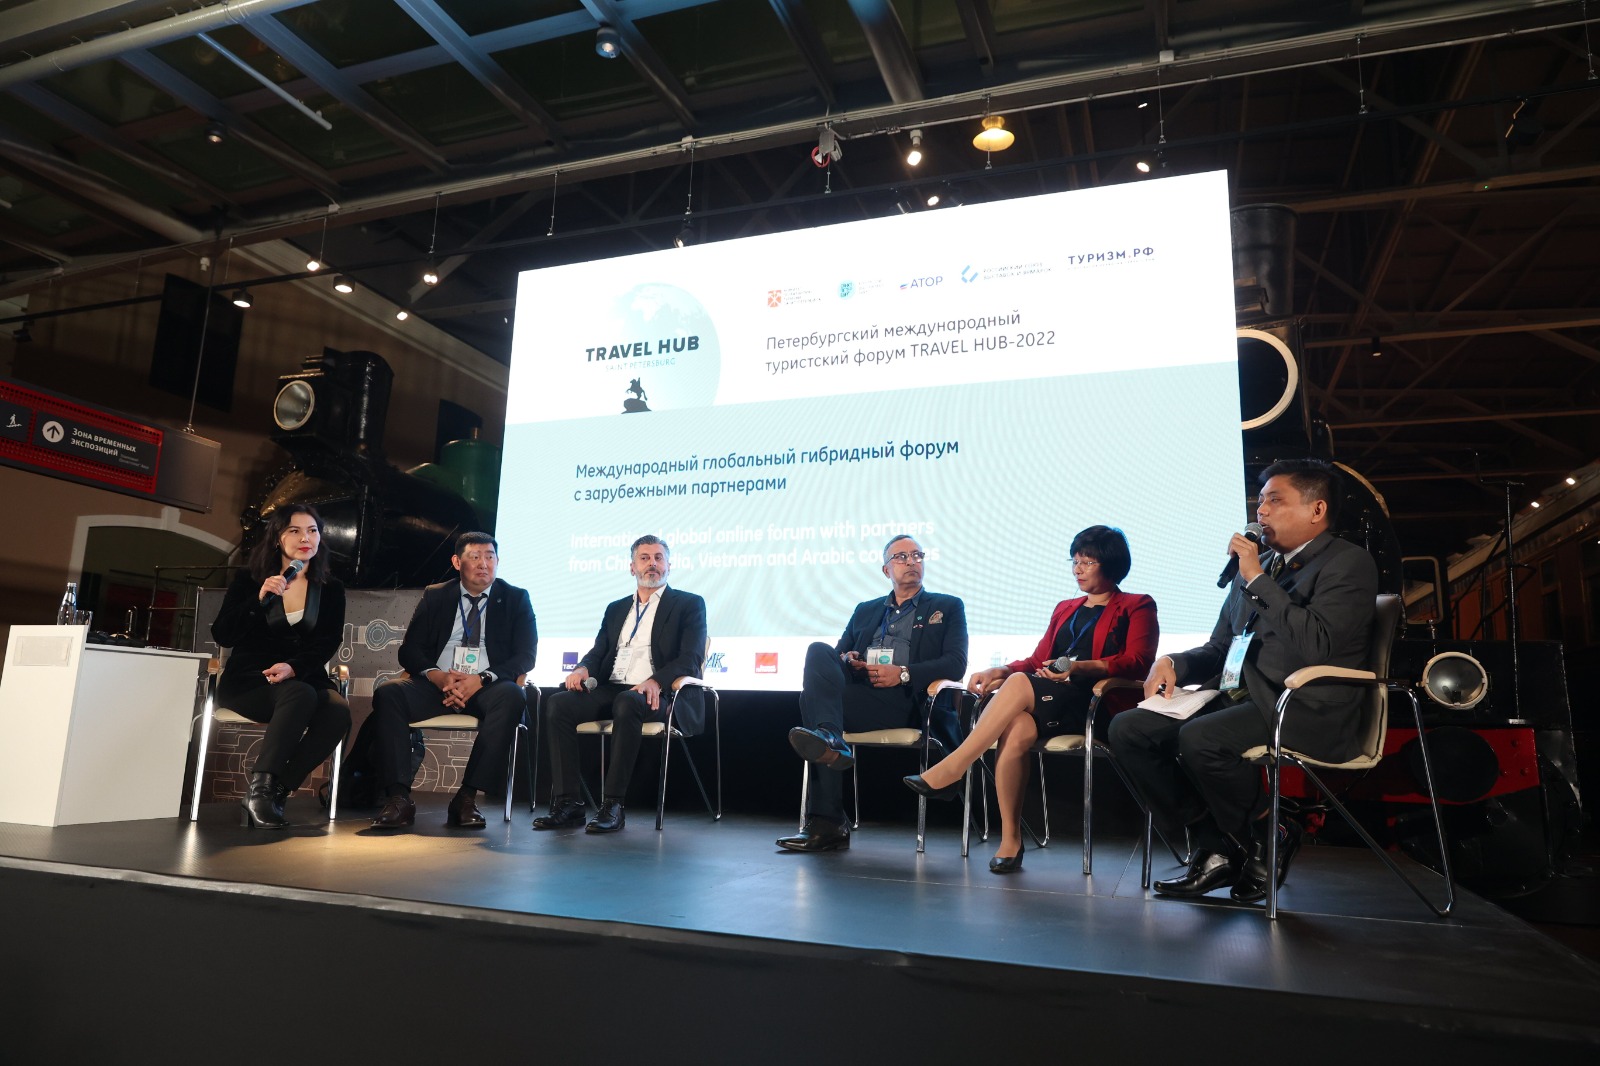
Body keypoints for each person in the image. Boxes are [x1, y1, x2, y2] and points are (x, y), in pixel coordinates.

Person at [1108, 459, 1379, 903]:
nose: (1262, 511)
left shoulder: (1347, 563)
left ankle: (1270, 831)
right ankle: (1217, 845)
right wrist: (1172, 662)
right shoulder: (1259, 566)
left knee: (1201, 738)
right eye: (1260, 502)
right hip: (1241, 695)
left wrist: (1255, 577)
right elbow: (1221, 647)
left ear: (1317, 510)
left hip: (1304, 705)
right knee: (1130, 729)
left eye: (1275, 501)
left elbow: (1318, 645)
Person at [904, 526, 1157, 873]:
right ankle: (1011, 840)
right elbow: (1038, 660)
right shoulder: (1066, 608)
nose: (1078, 569)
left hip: (1095, 704)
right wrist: (1000, 669)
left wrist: (1079, 667)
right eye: (1075, 561)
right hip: (1052, 699)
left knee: (1021, 683)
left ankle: (955, 766)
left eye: (1087, 562)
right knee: (1018, 726)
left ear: (1110, 564)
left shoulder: (1136, 605)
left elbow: (1138, 662)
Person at [778, 535, 968, 852]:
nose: (911, 561)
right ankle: (829, 738)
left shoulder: (946, 606)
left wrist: (903, 673)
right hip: (866, 697)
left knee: (812, 707)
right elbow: (836, 657)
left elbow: (956, 662)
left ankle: (827, 820)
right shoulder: (865, 610)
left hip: (912, 702)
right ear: (885, 570)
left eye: (917, 555)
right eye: (901, 557)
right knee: (818, 651)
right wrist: (848, 660)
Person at [533, 535, 707, 834]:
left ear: (669, 565)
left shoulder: (689, 604)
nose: (652, 563)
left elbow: (690, 658)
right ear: (632, 567)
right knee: (559, 703)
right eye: (644, 558)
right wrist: (583, 668)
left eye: (658, 558)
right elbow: (600, 651)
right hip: (613, 688)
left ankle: (613, 805)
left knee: (628, 701)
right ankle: (569, 803)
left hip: (659, 693)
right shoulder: (616, 608)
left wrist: (655, 681)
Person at [364, 532, 537, 830]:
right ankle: (398, 798)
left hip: (486, 688)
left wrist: (481, 679)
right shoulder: (437, 595)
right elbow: (410, 650)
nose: (484, 564)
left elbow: (526, 655)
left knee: (512, 696)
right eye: (475, 557)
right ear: (457, 562)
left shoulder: (515, 598)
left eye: (490, 557)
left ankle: (466, 798)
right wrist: (437, 676)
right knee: (389, 693)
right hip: (438, 685)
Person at [212, 503, 350, 830]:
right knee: (299, 694)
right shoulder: (249, 580)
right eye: (295, 530)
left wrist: (293, 667)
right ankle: (261, 792)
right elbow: (223, 634)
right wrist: (258, 600)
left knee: (337, 711)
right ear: (277, 537)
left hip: (303, 677)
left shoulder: (331, 588)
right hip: (251, 681)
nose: (306, 538)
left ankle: (274, 791)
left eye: (313, 531)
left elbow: (327, 642)